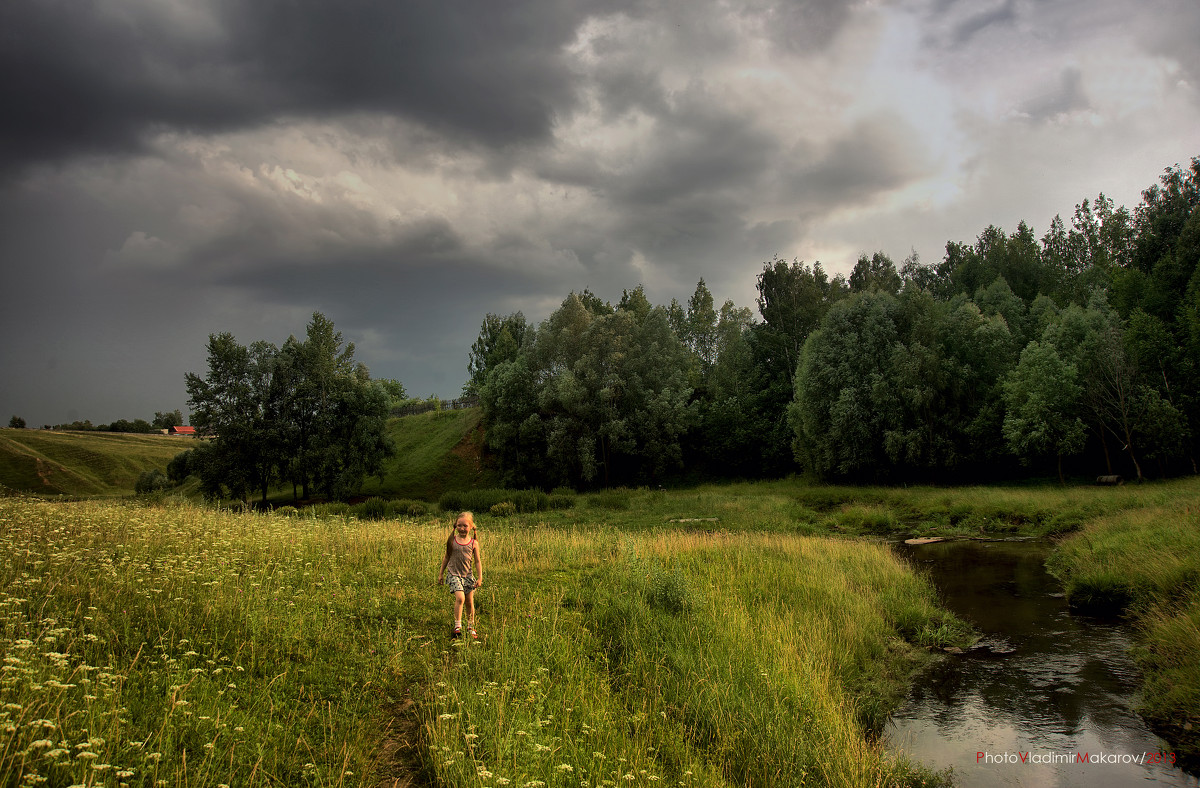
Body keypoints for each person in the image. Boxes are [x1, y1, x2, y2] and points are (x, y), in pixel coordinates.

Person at [437, 511, 484, 639]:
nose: (462, 529)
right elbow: (446, 557)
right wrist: (441, 574)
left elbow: (478, 561)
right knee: (460, 598)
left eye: (465, 526)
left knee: (469, 602)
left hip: (468, 576)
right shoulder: (452, 541)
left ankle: (470, 627)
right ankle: (457, 626)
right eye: (460, 525)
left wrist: (480, 578)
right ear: (455, 526)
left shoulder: (474, 543)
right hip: (454, 574)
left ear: (471, 527)